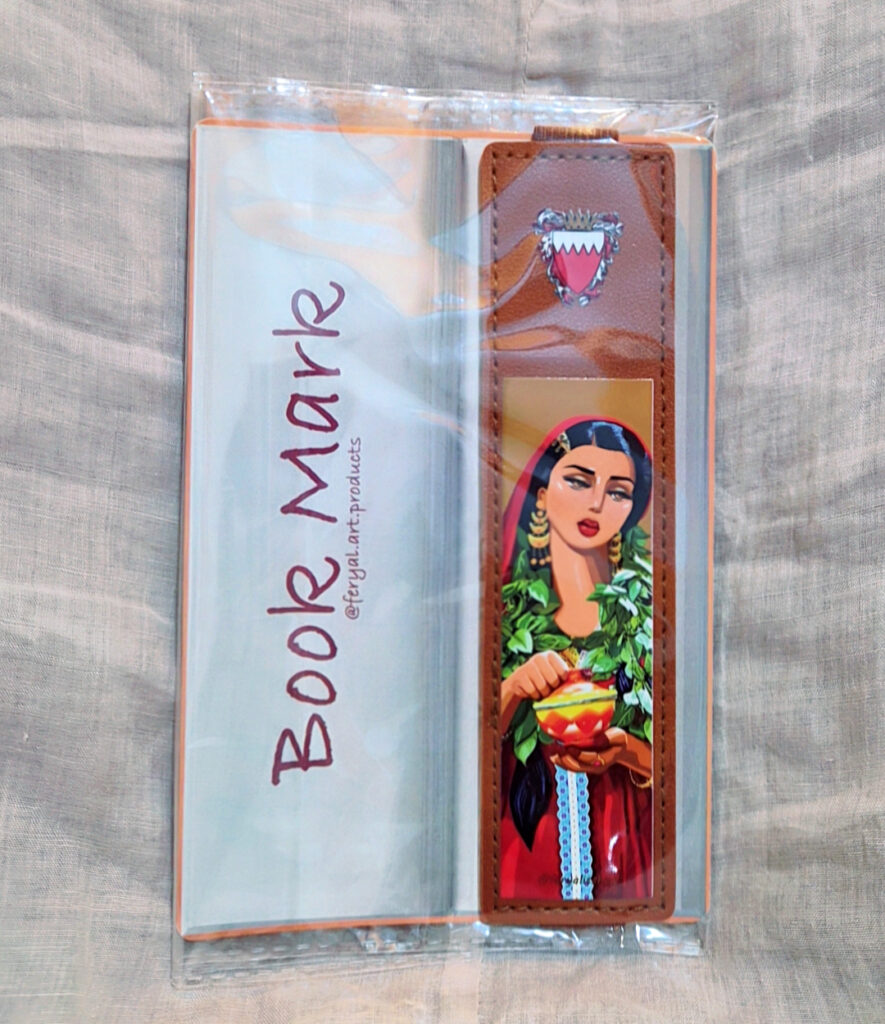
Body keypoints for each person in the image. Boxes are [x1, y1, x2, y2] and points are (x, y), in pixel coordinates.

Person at [499, 417, 654, 901]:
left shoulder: (649, 613)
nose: (596, 503)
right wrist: (514, 687)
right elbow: (460, 747)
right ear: (542, 493)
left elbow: (687, 754)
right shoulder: (503, 610)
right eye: (579, 481)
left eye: (618, 491)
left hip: (627, 847)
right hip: (525, 845)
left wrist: (627, 752)